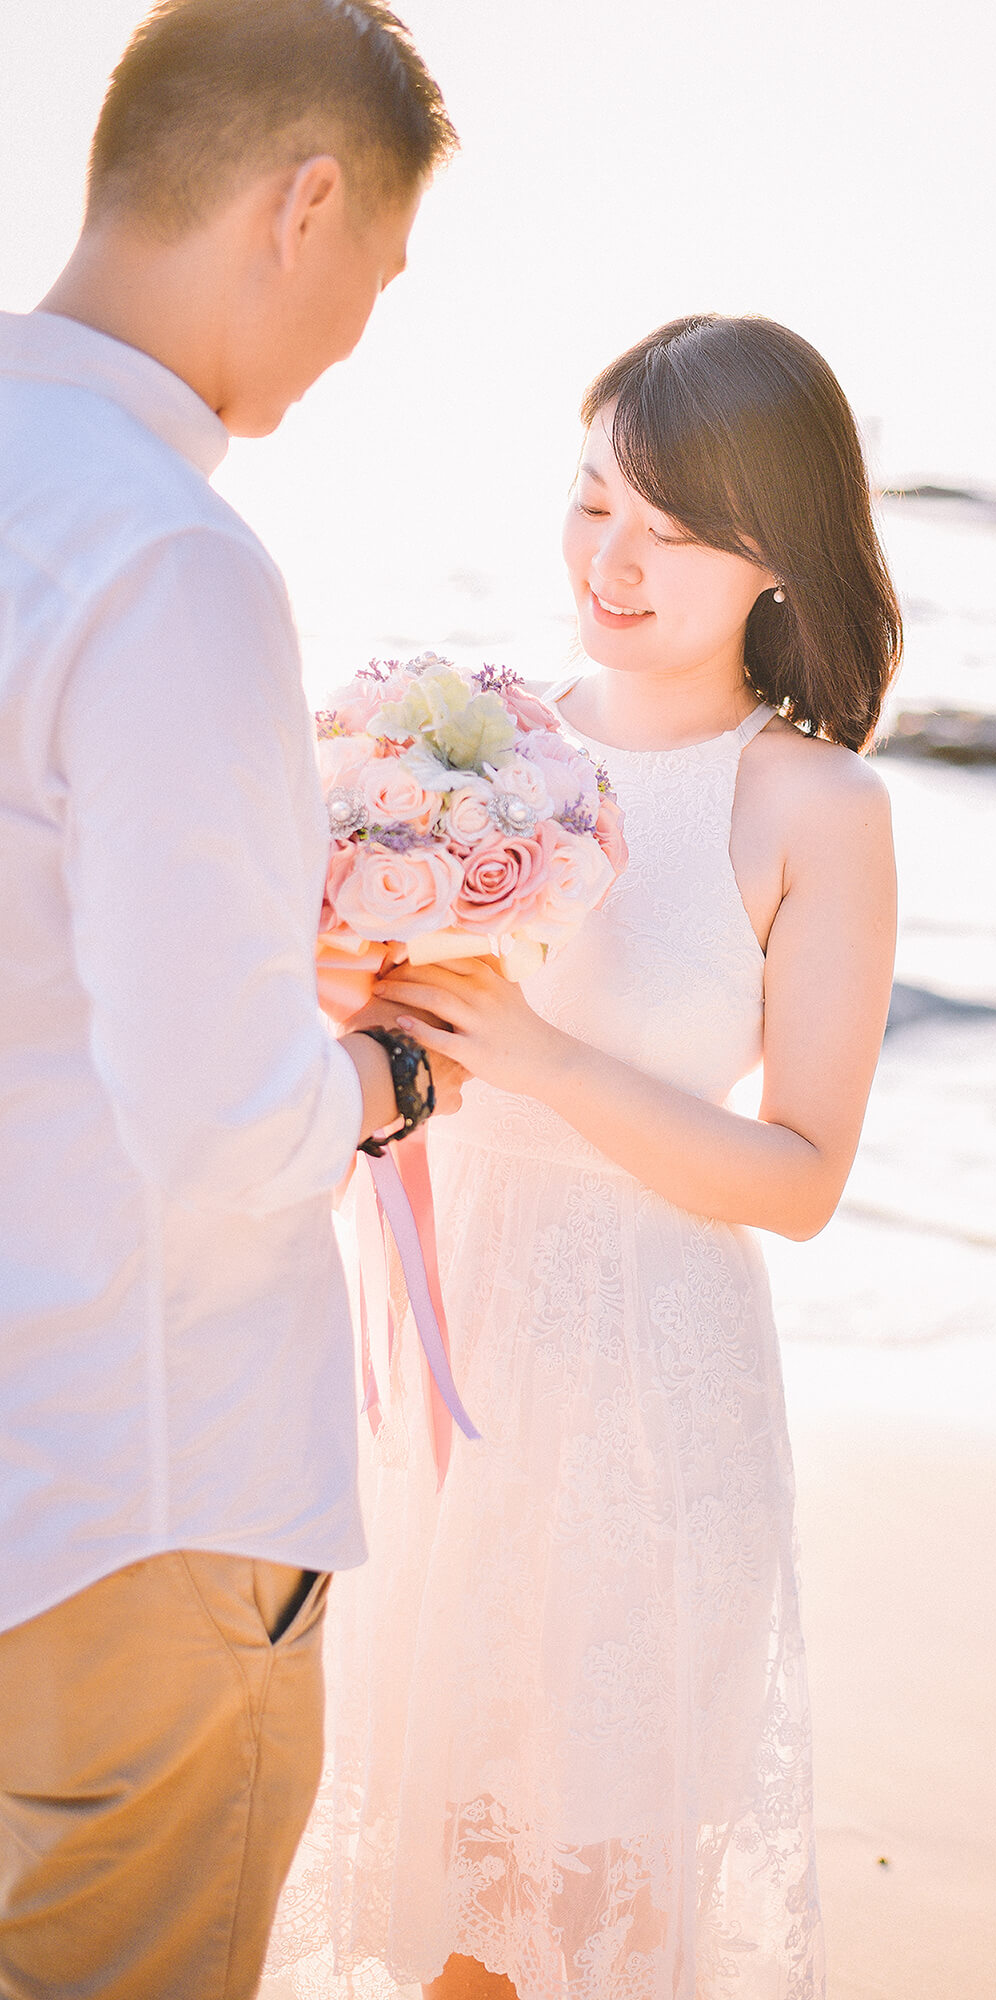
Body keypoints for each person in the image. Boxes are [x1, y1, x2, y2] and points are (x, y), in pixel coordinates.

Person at [267, 314, 900, 2000]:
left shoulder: (810, 807)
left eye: (674, 533)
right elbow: (333, 1058)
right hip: (425, 1344)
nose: (613, 561)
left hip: (641, 1379)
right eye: (594, 501)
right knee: (405, 1869)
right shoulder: (462, 745)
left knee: (550, 1919)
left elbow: (802, 1176)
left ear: (780, 555)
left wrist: (545, 1060)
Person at [0, 5, 460, 1994]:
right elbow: (216, 1134)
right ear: (308, 200)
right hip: (131, 1495)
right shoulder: (165, 558)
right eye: (386, 267)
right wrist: (375, 1072)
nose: (368, 323)